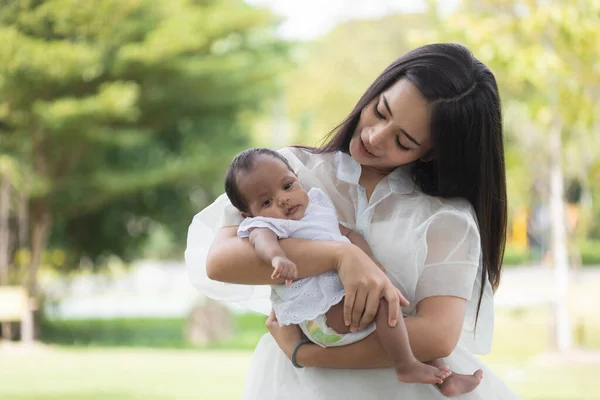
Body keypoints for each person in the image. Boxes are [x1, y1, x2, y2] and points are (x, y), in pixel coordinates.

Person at [186, 43, 519, 399]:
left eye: (403, 140)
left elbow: (437, 334)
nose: (374, 137)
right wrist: (342, 256)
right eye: (380, 111)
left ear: (433, 151)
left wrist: (306, 354)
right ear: (377, 90)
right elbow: (221, 263)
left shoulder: (445, 217)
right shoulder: (286, 175)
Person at [224, 147, 484, 394]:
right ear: (249, 214)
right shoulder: (264, 225)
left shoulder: (316, 207)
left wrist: (369, 262)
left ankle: (444, 377)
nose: (283, 199)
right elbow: (262, 242)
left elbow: (347, 234)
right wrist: (278, 258)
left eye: (288, 185)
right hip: (320, 314)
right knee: (383, 302)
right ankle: (406, 366)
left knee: (399, 323)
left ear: (296, 179)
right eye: (267, 200)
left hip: (338, 299)